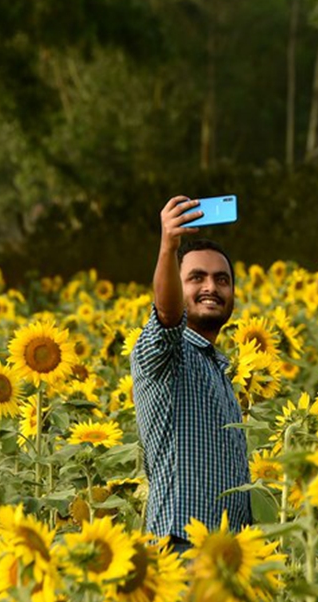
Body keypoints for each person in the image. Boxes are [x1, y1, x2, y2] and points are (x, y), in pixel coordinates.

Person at [130, 196, 251, 550]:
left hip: (227, 552)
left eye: (222, 280)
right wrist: (168, 246)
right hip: (180, 543)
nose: (212, 287)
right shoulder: (166, 353)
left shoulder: (218, 367)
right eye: (196, 278)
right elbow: (167, 315)